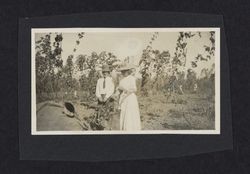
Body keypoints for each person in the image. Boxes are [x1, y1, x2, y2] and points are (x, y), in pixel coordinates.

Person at [117, 63, 141, 131]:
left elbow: (133, 89)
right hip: (123, 97)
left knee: (130, 113)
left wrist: (125, 96)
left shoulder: (131, 78)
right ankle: (124, 129)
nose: (123, 73)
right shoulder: (121, 80)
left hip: (130, 98)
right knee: (124, 113)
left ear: (128, 71)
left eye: (124, 71)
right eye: (122, 71)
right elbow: (119, 89)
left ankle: (131, 129)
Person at [94, 65, 115, 129]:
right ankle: (99, 124)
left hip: (108, 97)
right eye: (103, 72)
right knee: (99, 111)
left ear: (109, 73)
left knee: (107, 112)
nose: (105, 73)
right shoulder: (99, 80)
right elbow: (97, 89)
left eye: (106, 72)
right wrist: (99, 96)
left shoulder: (111, 80)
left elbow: (112, 89)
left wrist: (106, 97)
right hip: (100, 97)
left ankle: (107, 126)